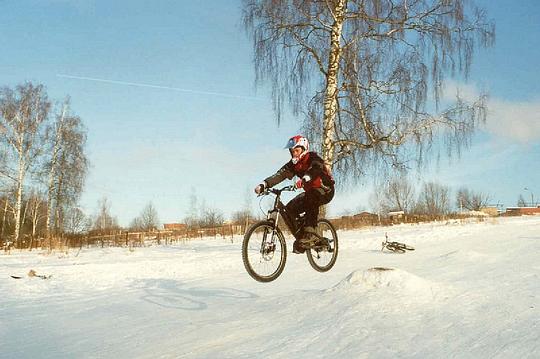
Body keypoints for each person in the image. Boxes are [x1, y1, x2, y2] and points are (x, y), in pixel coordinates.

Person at [254, 135, 335, 253]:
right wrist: (264, 184)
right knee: (289, 209)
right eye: (292, 151)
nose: (294, 154)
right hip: (310, 192)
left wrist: (306, 178)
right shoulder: (293, 164)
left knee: (311, 197)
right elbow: (280, 175)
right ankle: (303, 238)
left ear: (304, 149)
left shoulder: (312, 157)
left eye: (297, 150)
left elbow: (315, 169)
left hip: (325, 190)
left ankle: (310, 232)